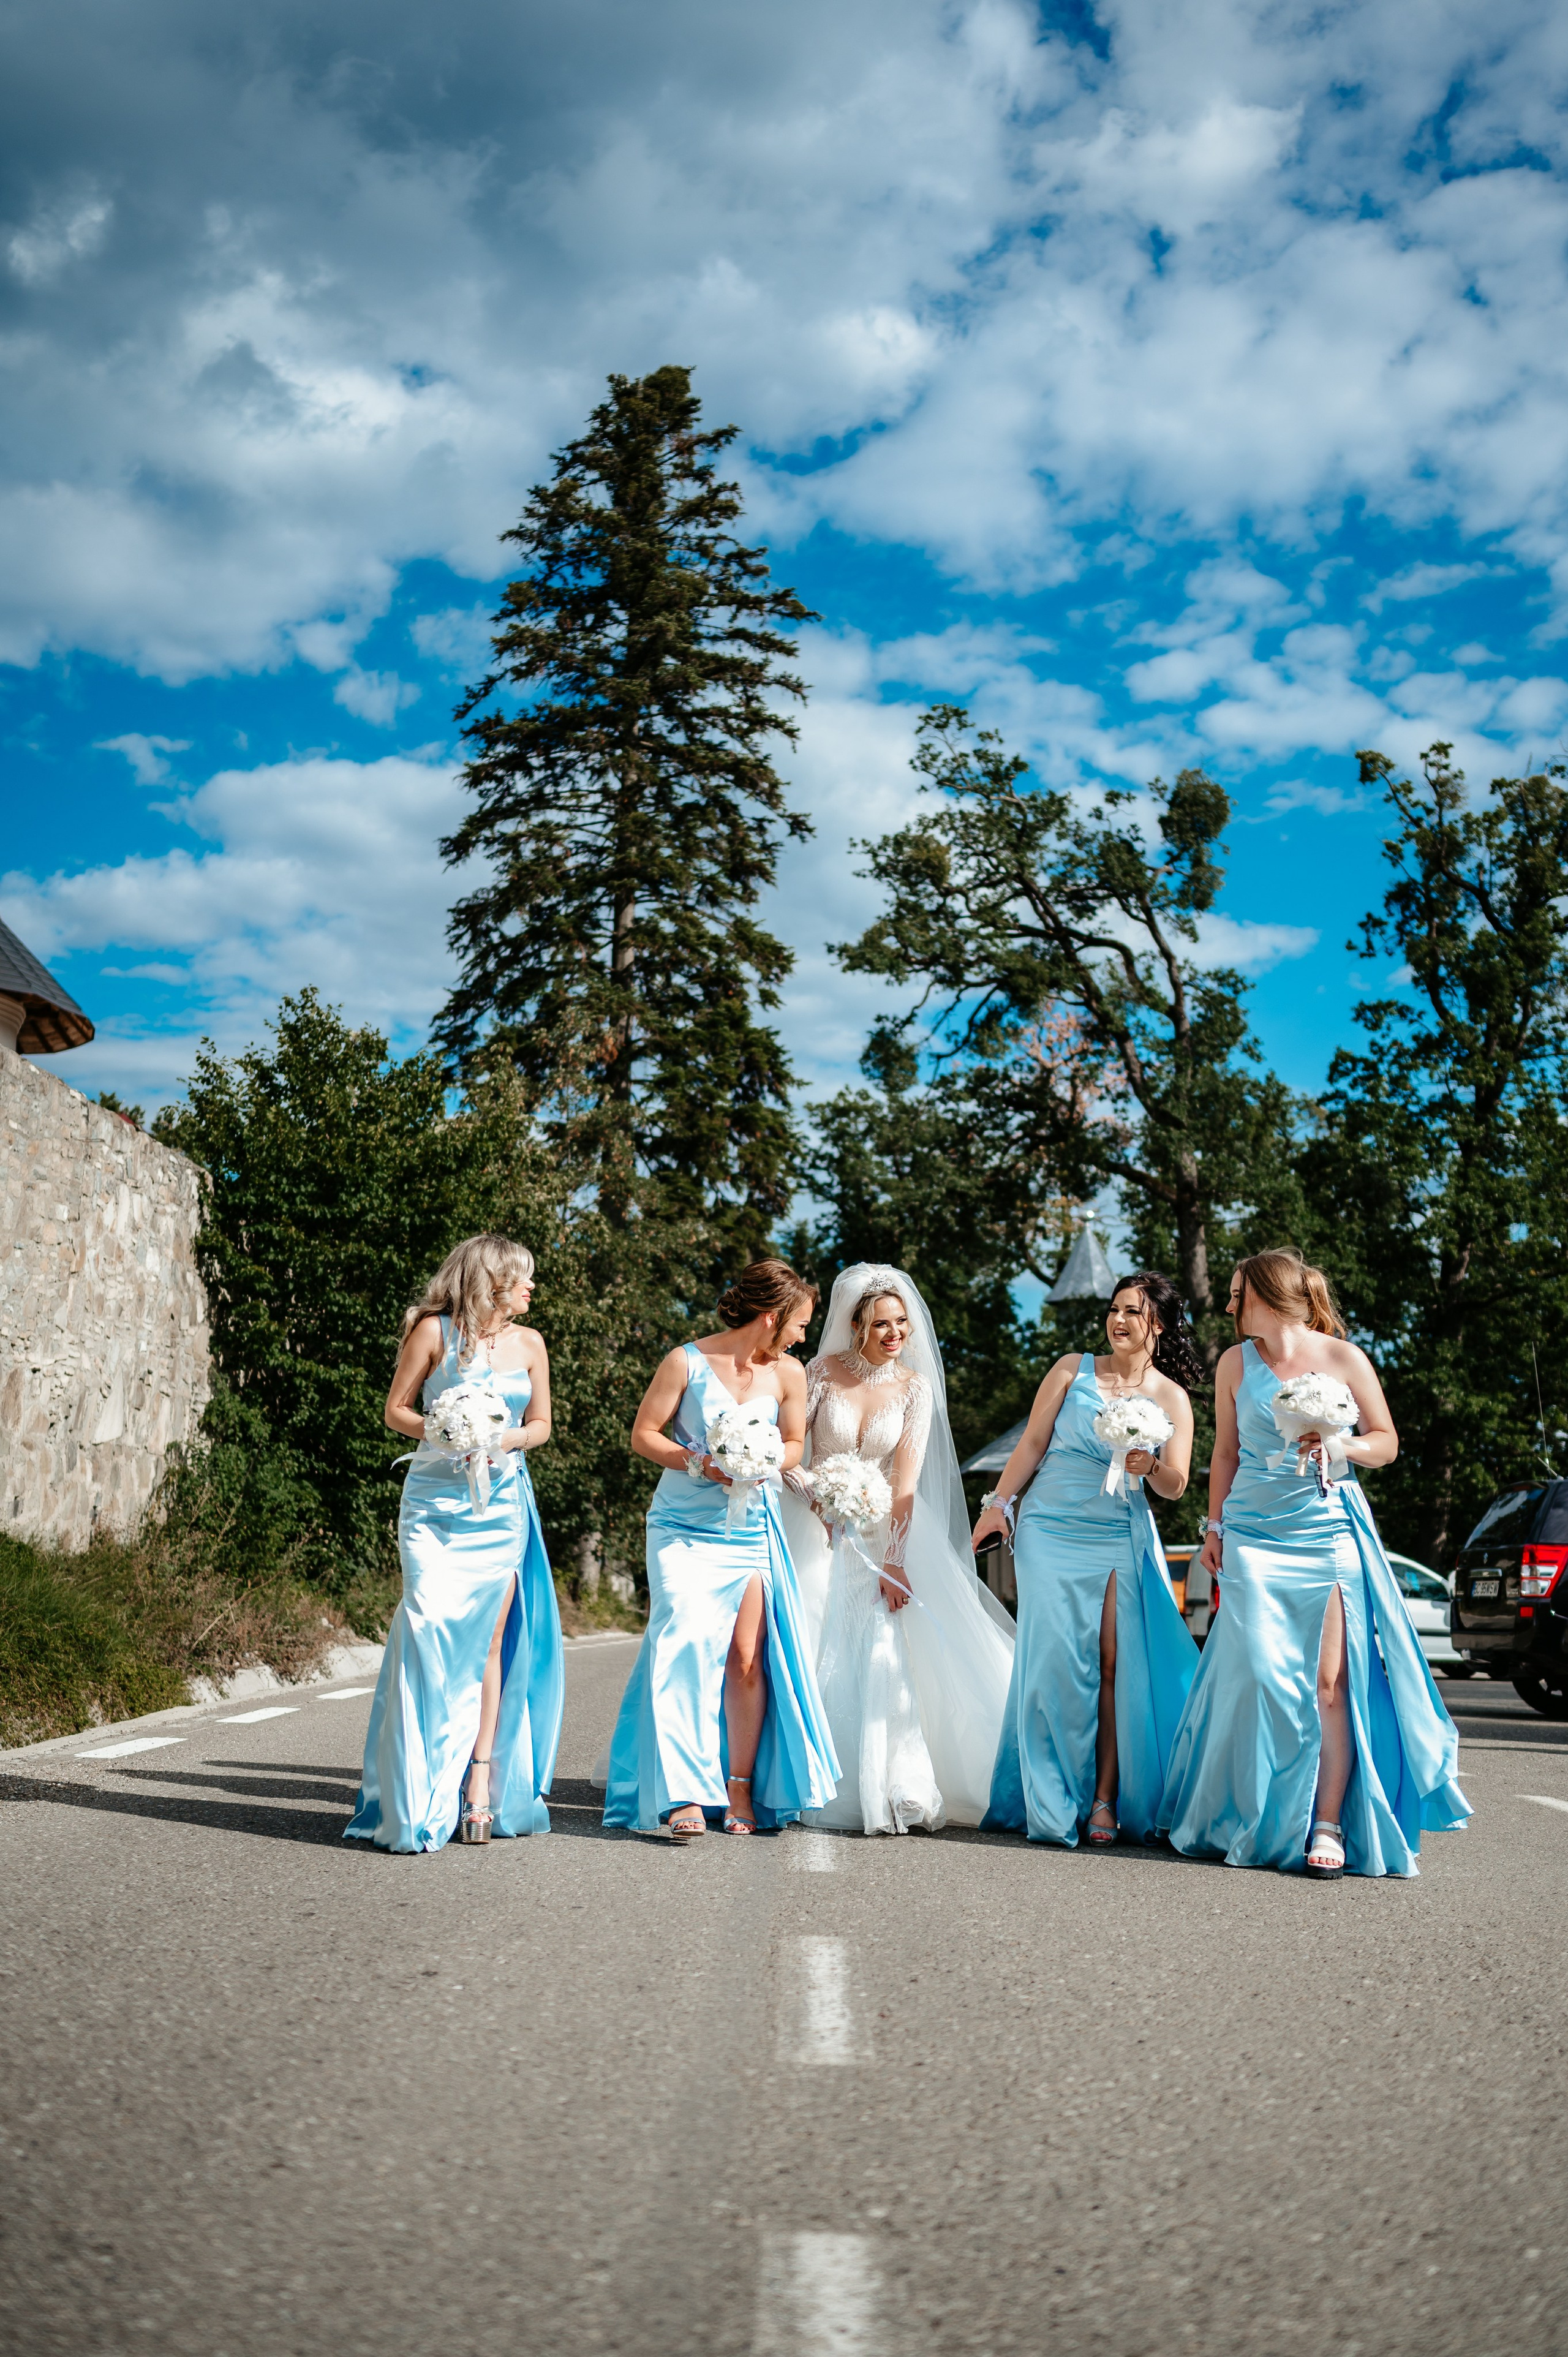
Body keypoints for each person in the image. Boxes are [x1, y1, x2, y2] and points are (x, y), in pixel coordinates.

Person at [1158, 1248, 1469, 1877]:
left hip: (1326, 1530)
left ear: (1268, 1296)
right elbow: (1224, 1452)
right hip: (1251, 1533)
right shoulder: (1232, 1363)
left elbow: (1386, 1442)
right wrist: (1213, 1526)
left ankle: (1325, 1821)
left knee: (1330, 1684)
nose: (1226, 1303)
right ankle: (1260, 1811)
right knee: (1259, 1675)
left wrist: (1339, 1440)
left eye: (1236, 1293)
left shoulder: (1342, 1357)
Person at [599, 1259, 839, 1839]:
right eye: (801, 1324)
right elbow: (645, 1435)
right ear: (771, 1316)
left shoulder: (788, 1373)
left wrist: (758, 1461)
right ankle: (683, 1793)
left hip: (750, 1528)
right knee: (682, 1637)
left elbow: (794, 1444)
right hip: (682, 1526)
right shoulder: (685, 1360)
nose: (804, 1335)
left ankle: (738, 1788)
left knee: (747, 1657)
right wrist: (700, 1462)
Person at [775, 1264, 1015, 1833]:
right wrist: (816, 1497)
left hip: (885, 1533)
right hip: (815, 1527)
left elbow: (904, 1483)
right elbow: (790, 1453)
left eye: (902, 1323)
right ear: (855, 1323)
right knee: (808, 1637)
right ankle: (796, 1773)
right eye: (882, 1323)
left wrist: (897, 1560)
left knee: (883, 1642)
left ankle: (898, 1780)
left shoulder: (914, 1388)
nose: (895, 1334)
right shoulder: (820, 1373)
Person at [345, 1234, 563, 1854]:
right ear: (491, 1280)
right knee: (426, 1624)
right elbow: (396, 1409)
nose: (530, 1289)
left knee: (491, 1638)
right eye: (522, 1278)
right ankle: (414, 1784)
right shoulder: (433, 1331)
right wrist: (447, 1430)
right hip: (434, 1505)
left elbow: (541, 1423)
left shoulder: (530, 1343)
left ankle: (477, 1783)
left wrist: (502, 1439)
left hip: (500, 1505)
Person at [976, 1273, 1199, 1847]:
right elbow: (1031, 1443)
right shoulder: (1072, 1368)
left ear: (1161, 1325)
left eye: (1134, 1312)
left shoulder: (1171, 1396)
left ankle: (1104, 1797)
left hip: (1118, 1532)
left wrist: (1148, 1467)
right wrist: (999, 1506)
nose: (1119, 1320)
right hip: (1050, 1526)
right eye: (1114, 1308)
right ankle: (1050, 1801)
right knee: (1053, 1663)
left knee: (1111, 1667)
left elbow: (1176, 1485)